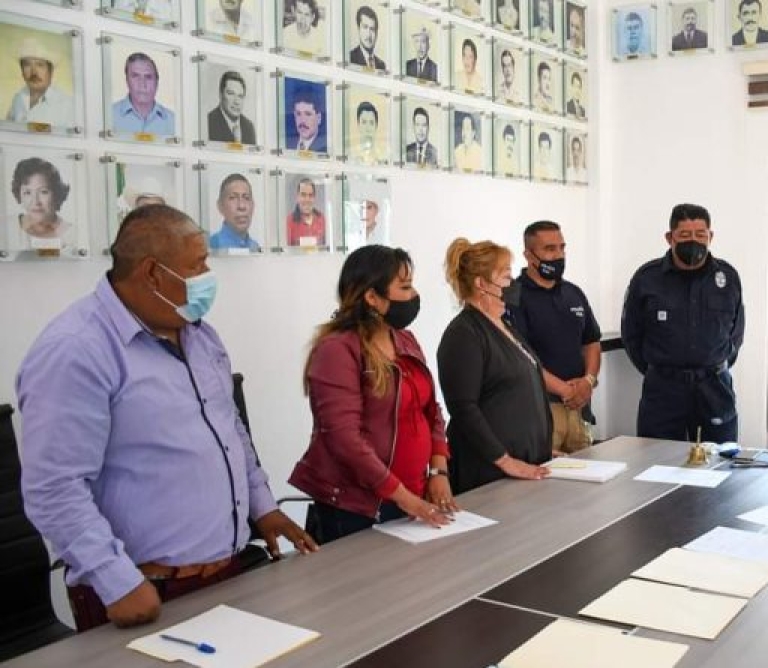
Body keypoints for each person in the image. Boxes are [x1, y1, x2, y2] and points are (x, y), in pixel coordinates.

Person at [17, 204, 316, 632]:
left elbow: (230, 430)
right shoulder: (76, 350)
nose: (208, 276)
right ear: (152, 273)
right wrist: (115, 581)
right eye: (198, 265)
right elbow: (54, 487)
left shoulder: (198, 334)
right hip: (144, 589)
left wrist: (262, 505)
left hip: (225, 573)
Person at [290, 245, 454, 543]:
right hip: (358, 507)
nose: (414, 294)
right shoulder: (337, 350)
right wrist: (403, 497)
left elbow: (431, 410)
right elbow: (344, 440)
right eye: (405, 287)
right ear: (372, 297)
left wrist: (438, 472)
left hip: (410, 497)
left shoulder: (406, 340)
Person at [621, 203, 745, 442]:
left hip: (714, 387)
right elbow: (632, 335)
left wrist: (714, 363)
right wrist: (661, 370)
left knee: (721, 458)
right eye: (685, 235)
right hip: (664, 389)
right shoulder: (647, 278)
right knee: (656, 457)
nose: (694, 241)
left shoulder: (728, 277)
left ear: (710, 236)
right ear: (670, 238)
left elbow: (736, 332)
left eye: (701, 235)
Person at [437, 238, 552, 494]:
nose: (513, 284)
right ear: (481, 283)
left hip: (524, 466)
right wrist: (505, 460)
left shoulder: (504, 326)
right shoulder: (464, 334)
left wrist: (542, 448)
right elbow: (464, 408)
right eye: (506, 276)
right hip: (488, 471)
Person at [510, 221, 601, 454]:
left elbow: (591, 341)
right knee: (546, 474)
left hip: (579, 408)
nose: (558, 255)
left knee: (586, 472)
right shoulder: (512, 295)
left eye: (562, 247)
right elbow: (520, 356)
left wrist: (588, 381)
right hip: (541, 410)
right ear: (528, 255)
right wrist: (564, 390)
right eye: (549, 249)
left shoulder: (573, 292)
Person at [6, 38, 75, 128]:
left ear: (51, 71)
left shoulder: (67, 105)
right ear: (22, 71)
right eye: (27, 65)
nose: (34, 72)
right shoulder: (18, 98)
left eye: (40, 65)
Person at [10, 157, 72, 244]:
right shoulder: (6, 227)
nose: (35, 202)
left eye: (43, 192)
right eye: (27, 192)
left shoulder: (73, 234)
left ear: (57, 193)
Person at [110, 52, 175, 136]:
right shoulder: (108, 117)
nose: (142, 84)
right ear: (127, 80)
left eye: (148, 77)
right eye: (135, 76)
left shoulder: (174, 121)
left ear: (157, 82)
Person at [208, 173, 259, 251]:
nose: (241, 206)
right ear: (220, 206)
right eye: (233, 198)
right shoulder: (211, 247)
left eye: (246, 198)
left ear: (253, 205)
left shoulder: (255, 248)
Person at [206, 70, 257, 145]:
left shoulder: (249, 127)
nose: (236, 102)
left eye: (240, 96)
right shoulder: (208, 122)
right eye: (231, 94)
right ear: (220, 94)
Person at [285, 177, 327, 246]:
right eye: (303, 195)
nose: (307, 199)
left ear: (314, 197)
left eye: (310, 195)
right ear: (297, 197)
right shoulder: (289, 222)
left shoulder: (322, 219)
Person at [348, 5, 386, 70]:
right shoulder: (350, 58)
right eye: (365, 27)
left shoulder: (381, 65)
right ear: (358, 29)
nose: (369, 34)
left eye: (372, 29)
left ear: (376, 33)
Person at [288, 87, 326, 152]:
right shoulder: (287, 144)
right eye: (298, 114)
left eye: (308, 114)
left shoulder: (325, 147)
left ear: (319, 118)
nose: (302, 120)